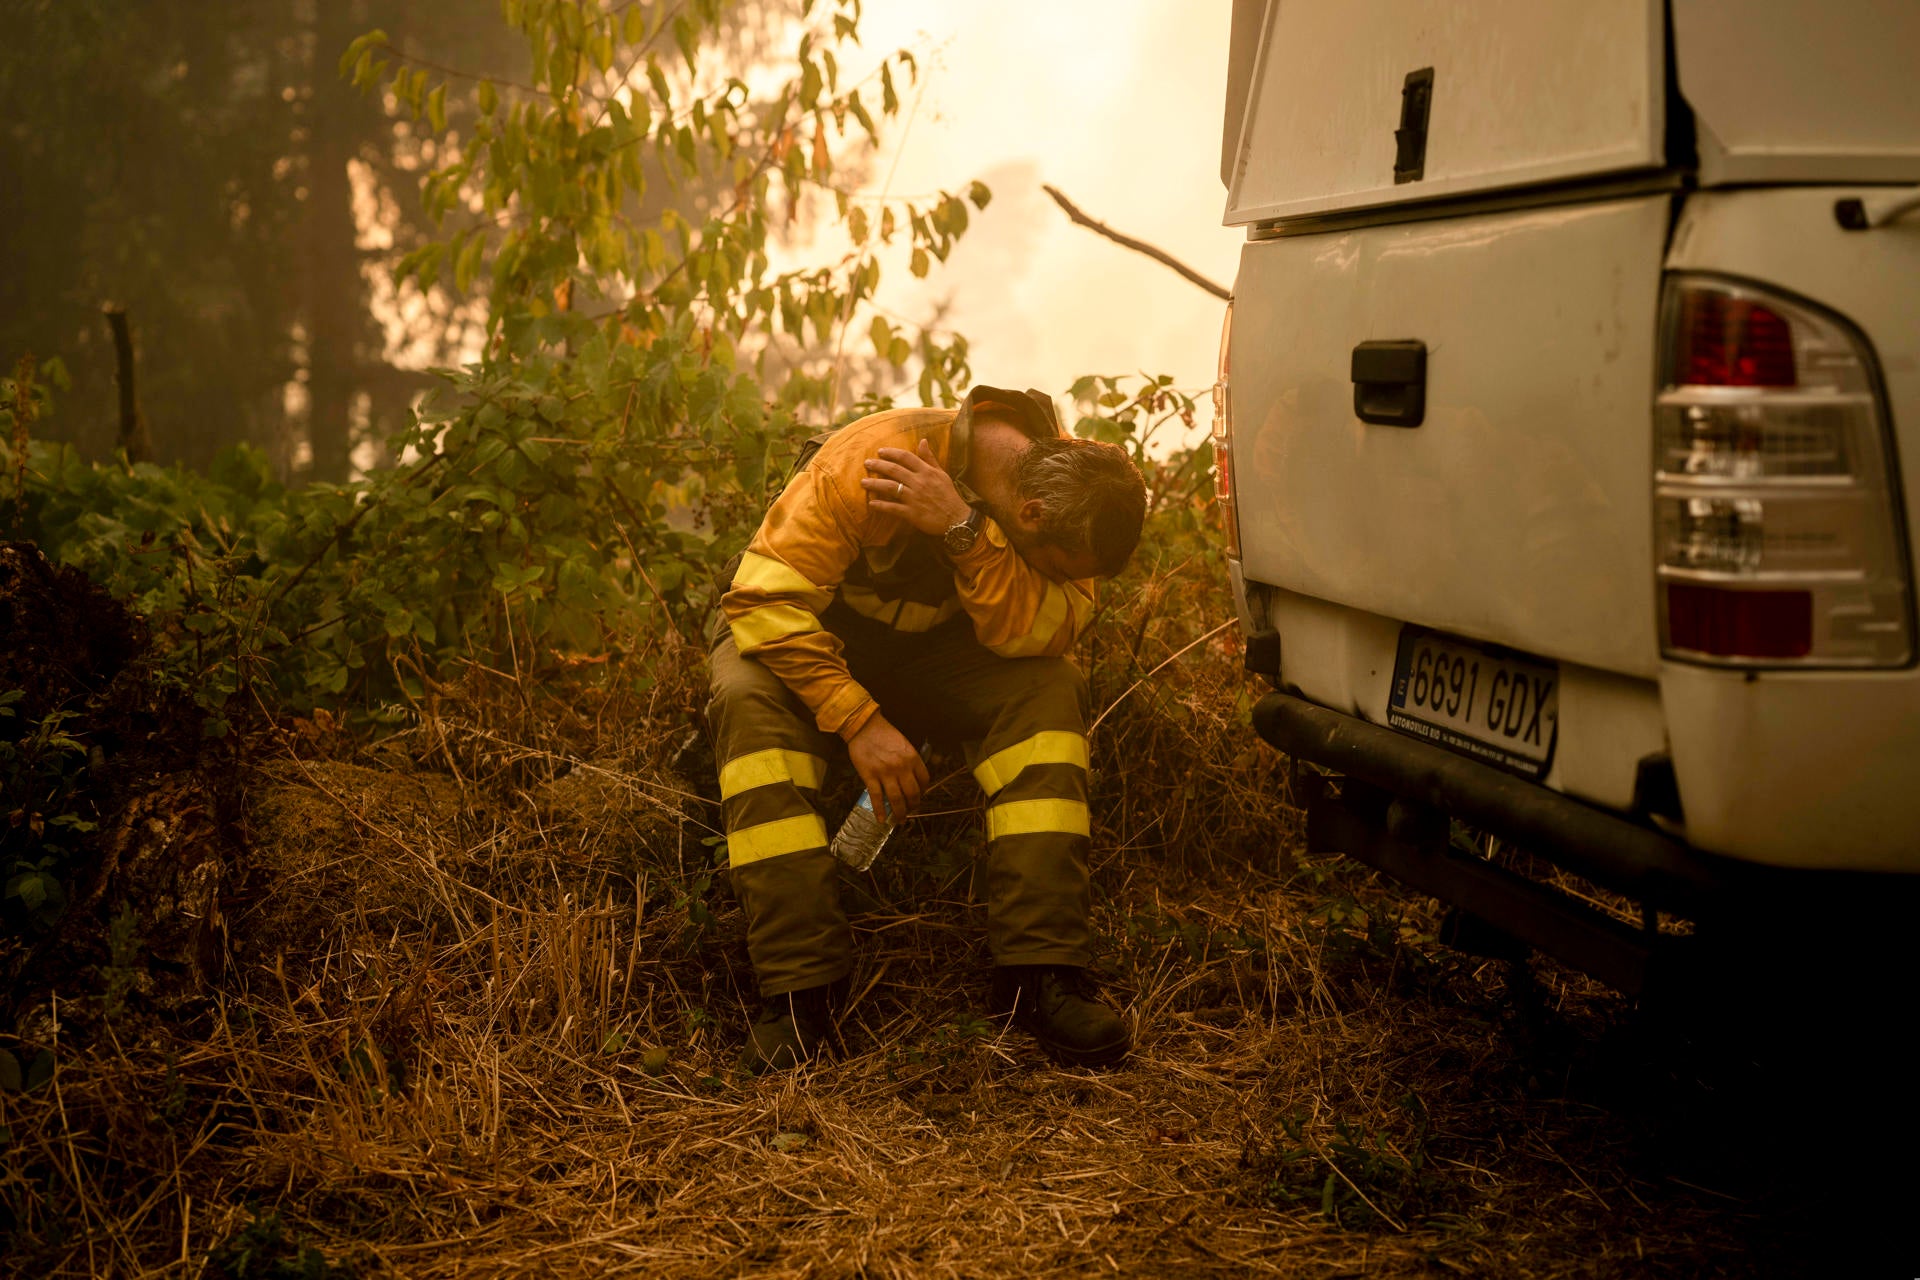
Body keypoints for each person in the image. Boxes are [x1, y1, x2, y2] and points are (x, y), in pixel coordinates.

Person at [707, 384, 1147, 1072]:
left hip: (934, 654)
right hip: (808, 634)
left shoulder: (1075, 492)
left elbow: (1045, 631)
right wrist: (859, 721)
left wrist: (964, 532)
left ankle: (1041, 974)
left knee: (1049, 689)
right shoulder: (872, 458)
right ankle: (799, 989)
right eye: (1066, 569)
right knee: (747, 699)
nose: (1076, 583)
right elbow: (765, 601)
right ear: (1030, 514)